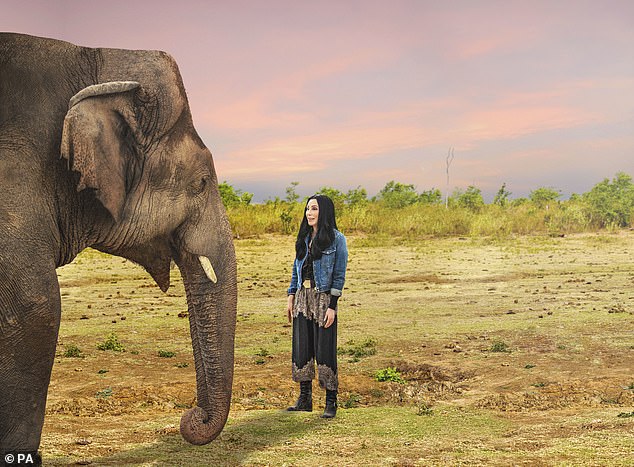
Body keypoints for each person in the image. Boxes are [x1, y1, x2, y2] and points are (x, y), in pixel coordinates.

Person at [286, 194, 348, 418]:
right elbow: (296, 269)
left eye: (313, 209)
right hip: (303, 296)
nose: (309, 213)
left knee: (325, 349)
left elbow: (339, 275)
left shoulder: (337, 239)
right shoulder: (303, 238)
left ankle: (331, 401)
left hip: (323, 299)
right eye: (307, 209)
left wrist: (333, 305)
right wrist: (291, 295)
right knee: (302, 347)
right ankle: (305, 399)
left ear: (324, 212)